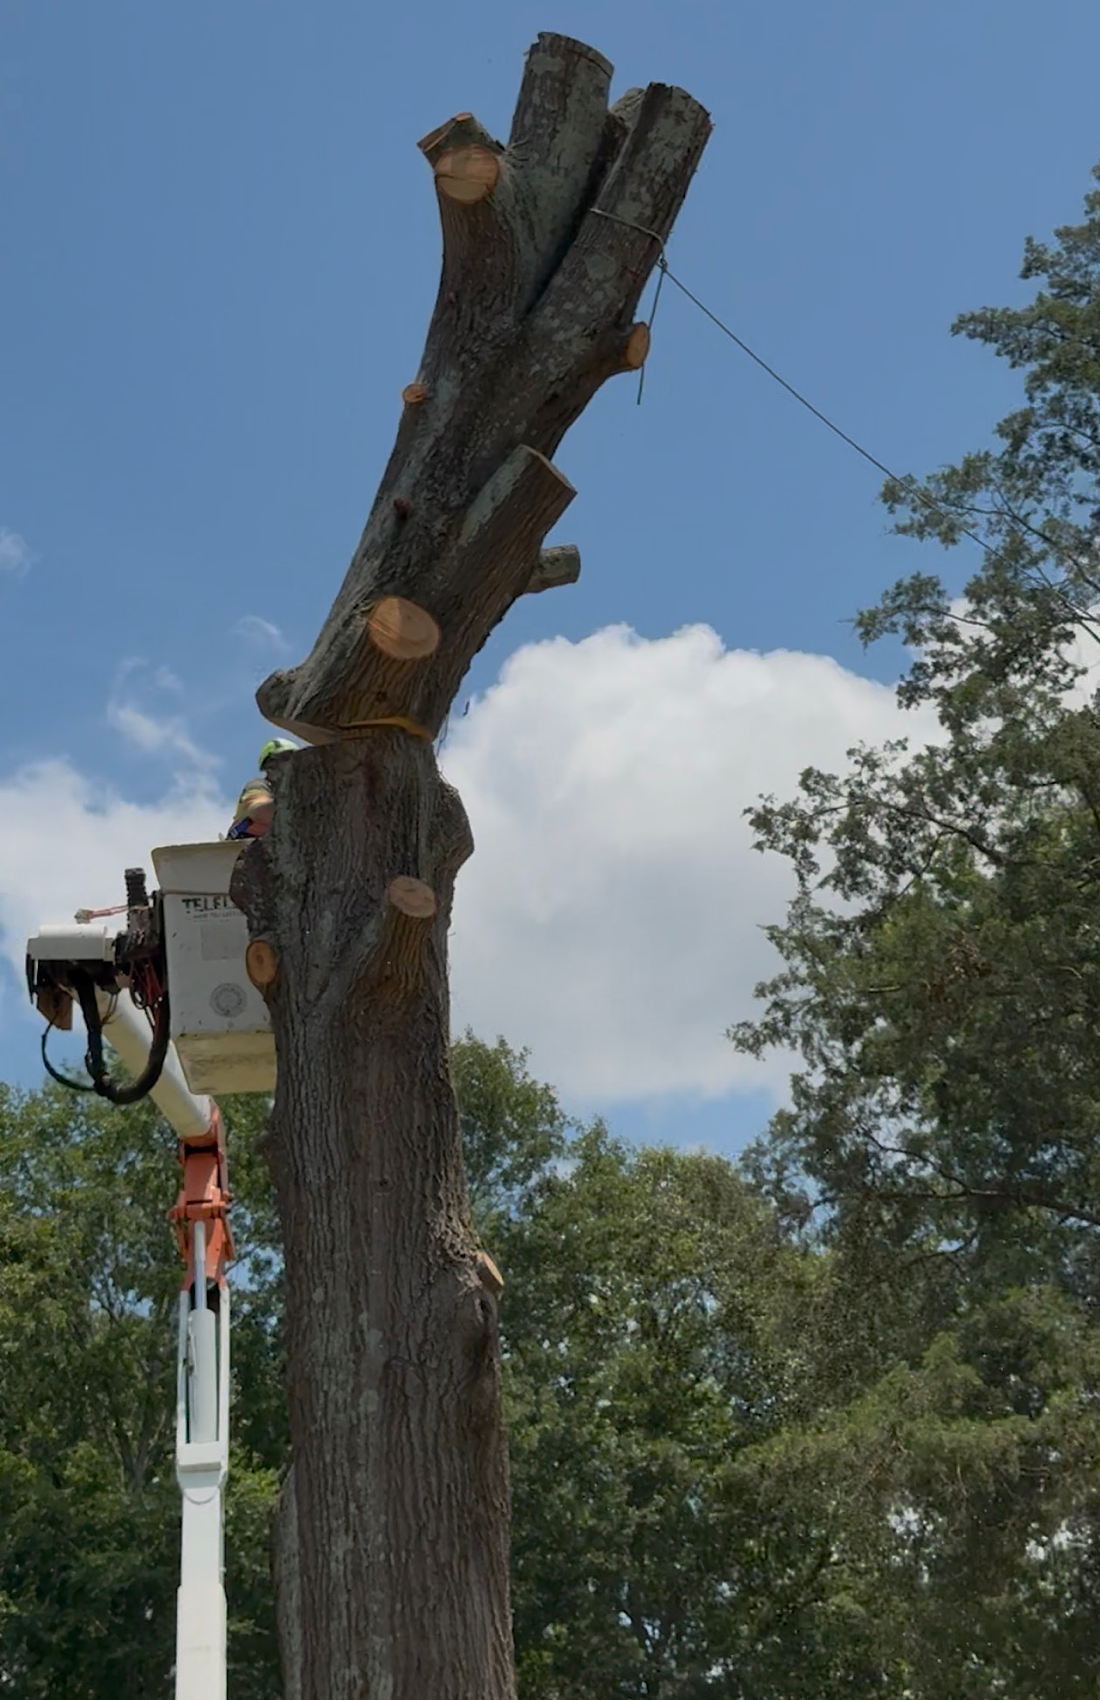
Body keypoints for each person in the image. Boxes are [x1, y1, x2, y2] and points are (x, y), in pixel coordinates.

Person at [227, 739, 298, 839]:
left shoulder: (296, 791)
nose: (293, 765)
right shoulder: (259, 785)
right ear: (269, 766)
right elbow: (259, 811)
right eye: (286, 758)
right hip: (244, 847)